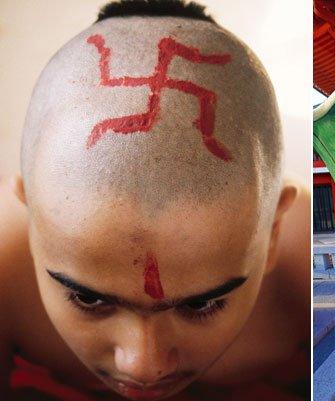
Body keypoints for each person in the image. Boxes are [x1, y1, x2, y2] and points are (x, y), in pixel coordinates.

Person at [0, 1, 310, 400]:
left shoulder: (299, 270)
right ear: (32, 215)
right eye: (87, 298)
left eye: (202, 305)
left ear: (273, 230)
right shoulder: (5, 267)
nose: (143, 366)